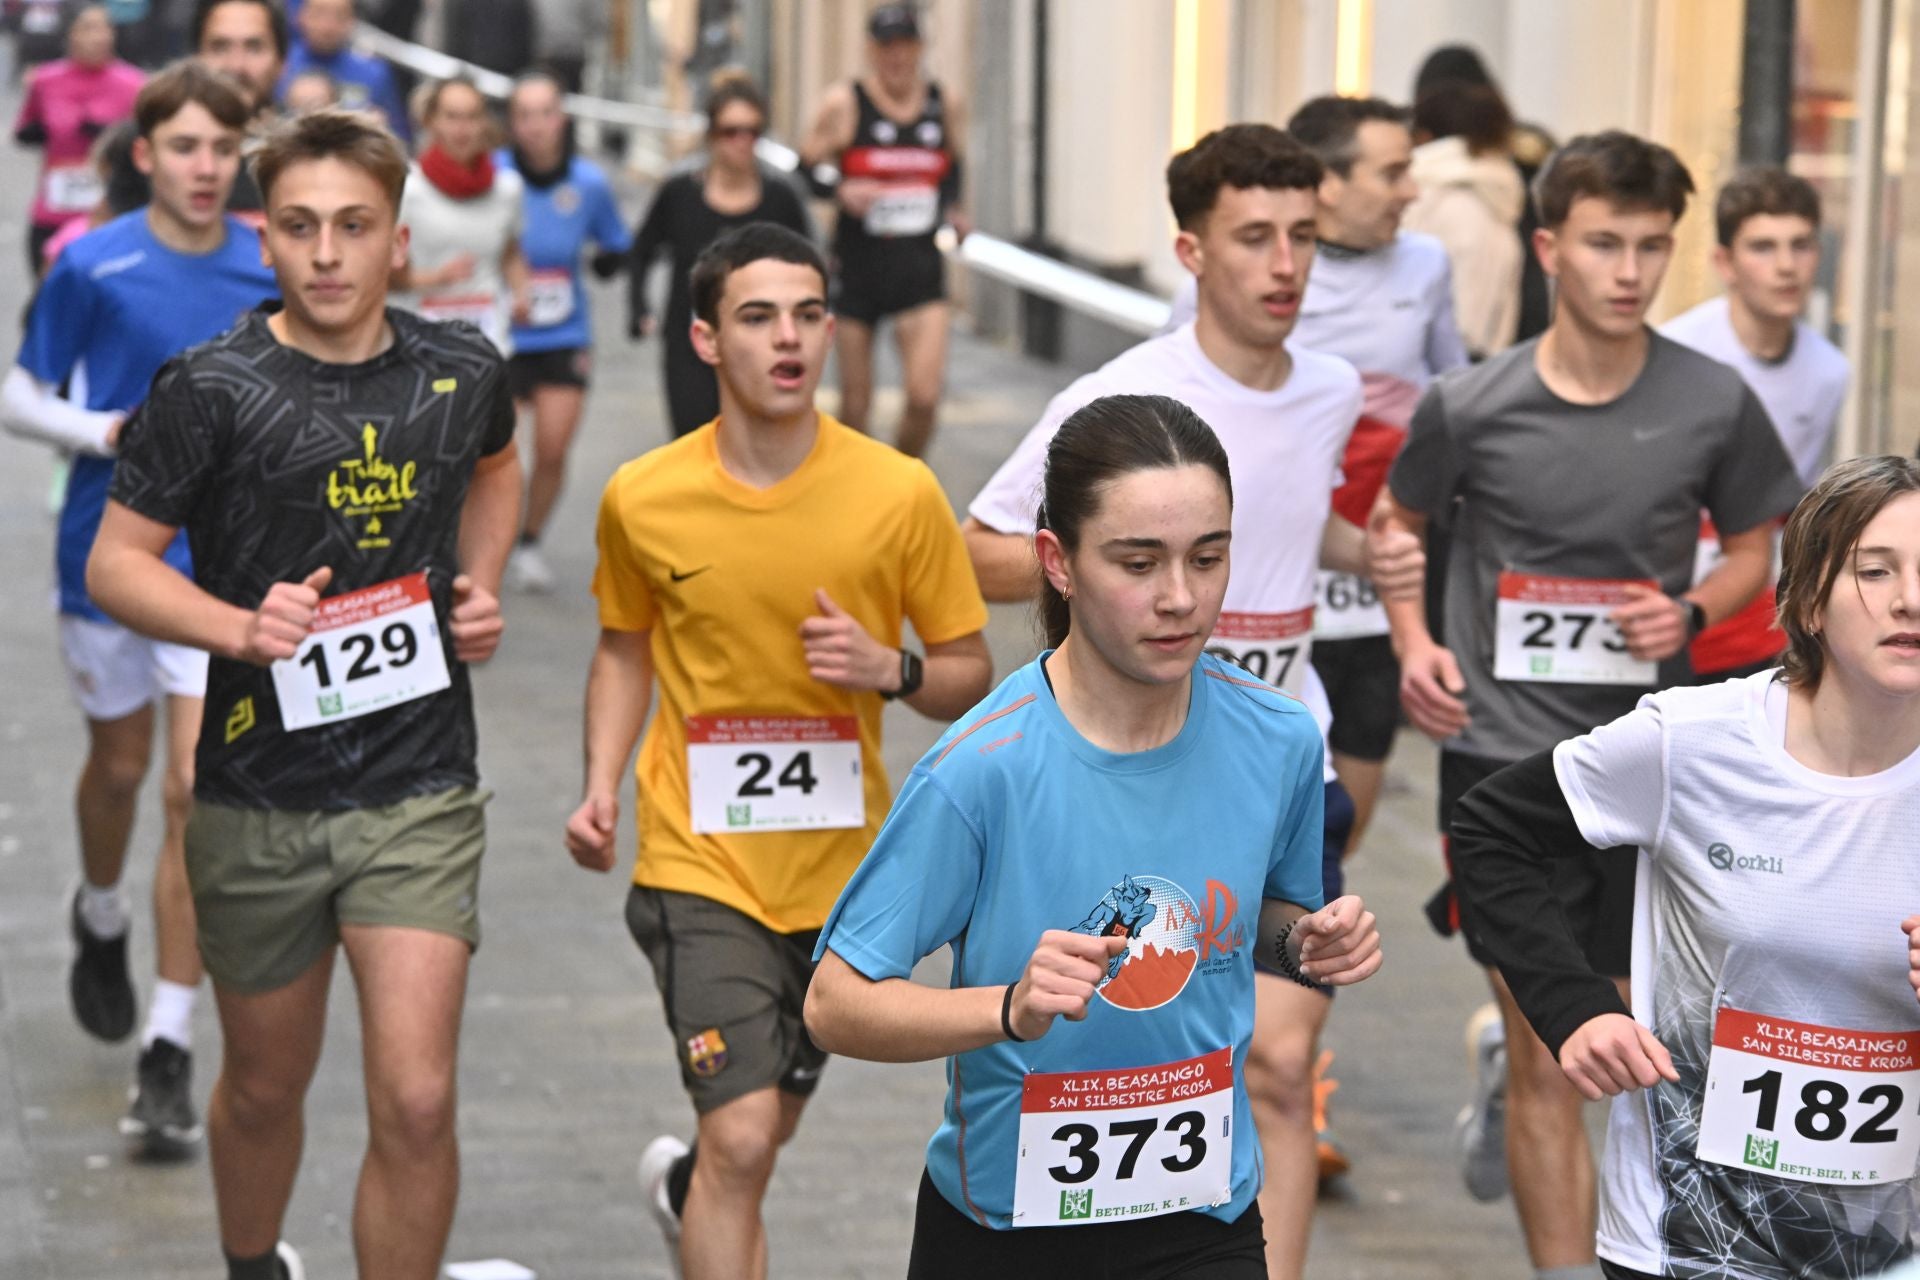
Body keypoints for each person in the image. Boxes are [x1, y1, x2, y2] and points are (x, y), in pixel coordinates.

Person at [964, 124, 1420, 1280]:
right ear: (1188, 249)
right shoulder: (1125, 393)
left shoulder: (1329, 387)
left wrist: (1381, 559)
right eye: (1254, 236)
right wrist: (1113, 575)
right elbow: (980, 546)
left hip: (1284, 759)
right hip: (1143, 757)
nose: (1285, 264)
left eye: (1304, 237)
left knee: (1278, 1060)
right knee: (1146, 1050)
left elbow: (1288, 514)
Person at [807, 393, 1385, 1278]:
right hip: (1008, 1233)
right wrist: (1007, 1007)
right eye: (1138, 563)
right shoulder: (982, 769)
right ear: (1058, 562)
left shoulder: (1280, 739)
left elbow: (1263, 923)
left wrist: (1306, 943)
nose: (1181, 598)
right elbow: (835, 1002)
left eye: (1208, 557)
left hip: (1207, 1218)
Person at [88, 106, 521, 1280]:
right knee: (266, 1090)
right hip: (256, 792)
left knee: (419, 1099)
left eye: (354, 225)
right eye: (299, 227)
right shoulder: (211, 386)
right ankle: (249, 1262)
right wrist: (240, 625)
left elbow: (494, 464)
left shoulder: (461, 367)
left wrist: (479, 582)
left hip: (420, 784)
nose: (327, 252)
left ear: (396, 237)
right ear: (262, 239)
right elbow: (114, 563)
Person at [1371, 130, 1804, 1280]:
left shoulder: (1713, 402)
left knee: (1634, 1031)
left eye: (1652, 247)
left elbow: (1758, 544)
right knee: (1550, 1045)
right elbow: (1396, 528)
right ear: (1551, 248)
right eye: (1605, 243)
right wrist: (1415, 644)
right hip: (1503, 761)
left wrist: (1694, 611)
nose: (1629, 270)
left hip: (1650, 766)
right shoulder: (1470, 404)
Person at [564, 222, 993, 1280]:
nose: (789, 339)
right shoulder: (643, 495)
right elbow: (624, 649)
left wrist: (884, 668)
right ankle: (709, 1181)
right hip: (696, 857)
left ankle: (687, 1192)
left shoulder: (896, 492)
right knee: (745, 1134)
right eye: (759, 317)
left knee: (752, 1139)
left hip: (845, 874)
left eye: (808, 314)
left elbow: (968, 670)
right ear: (706, 339)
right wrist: (598, 785)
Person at [1452, 454, 1920, 1280]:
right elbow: (1492, 832)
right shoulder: (1694, 741)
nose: (1910, 600)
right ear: (1808, 599)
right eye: (1874, 572)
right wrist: (1573, 1009)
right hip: (1693, 1243)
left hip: (1892, 1247)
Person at [0, 59, 274, 1160]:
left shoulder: (268, 259)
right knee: (119, 773)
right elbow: (19, 389)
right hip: (103, 555)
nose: (207, 168)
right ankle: (99, 910)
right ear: (145, 155)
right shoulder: (92, 260)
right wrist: (105, 431)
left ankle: (169, 1040)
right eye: (187, 147)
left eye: (224, 148)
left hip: (219, 567)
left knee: (192, 787)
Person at [1662, 167, 1849, 683]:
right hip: (1666, 588)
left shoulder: (1829, 369)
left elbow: (1785, 506)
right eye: (1763, 247)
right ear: (1725, 261)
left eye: (1801, 245)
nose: (1786, 266)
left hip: (1756, 605)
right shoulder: (1674, 352)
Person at [799, 2, 966, 458]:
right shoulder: (846, 102)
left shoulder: (941, 102)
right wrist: (842, 188)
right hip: (858, 268)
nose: (897, 58)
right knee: (855, 406)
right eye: (887, 47)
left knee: (924, 398)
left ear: (919, 49)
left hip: (919, 269)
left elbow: (952, 166)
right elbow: (807, 168)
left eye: (906, 46)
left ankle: (902, 479)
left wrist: (955, 208)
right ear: (871, 51)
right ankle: (859, 494)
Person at [496, 70, 629, 593]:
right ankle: (491, 538)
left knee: (552, 448)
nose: (535, 126)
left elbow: (615, 242)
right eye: (524, 115)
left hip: (564, 333)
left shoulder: (589, 184)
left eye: (545, 113)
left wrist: (608, 263)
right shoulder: (495, 175)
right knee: (498, 453)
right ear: (512, 123)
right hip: (504, 335)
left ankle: (529, 542)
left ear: (563, 119)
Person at [629, 72, 811, 439]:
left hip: (765, 347)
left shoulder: (780, 198)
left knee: (759, 444)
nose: (742, 142)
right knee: (695, 444)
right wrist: (639, 309)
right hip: (691, 343)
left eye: (752, 132)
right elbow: (642, 250)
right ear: (712, 135)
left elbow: (809, 269)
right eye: (731, 131)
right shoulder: (679, 194)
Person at [396, 76, 530, 356]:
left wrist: (521, 292)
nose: (462, 129)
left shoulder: (508, 188)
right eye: (452, 117)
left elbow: (510, 253)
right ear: (431, 121)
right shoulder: (407, 190)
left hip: (489, 346)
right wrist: (435, 277)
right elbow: (380, 275)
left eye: (472, 117)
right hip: (423, 349)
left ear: (485, 123)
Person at [13, 4, 144, 274]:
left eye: (105, 27)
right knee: (44, 302)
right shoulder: (45, 79)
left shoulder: (134, 83)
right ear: (70, 33)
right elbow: (25, 129)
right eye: (89, 28)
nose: (100, 36)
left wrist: (110, 137)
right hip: (53, 213)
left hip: (109, 217)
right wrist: (41, 132)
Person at [1405, 77, 1526, 358]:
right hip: (1481, 364)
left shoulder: (1438, 193)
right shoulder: (1496, 195)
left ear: (1423, 135)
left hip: (1439, 367)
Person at [191, 0, 289, 217]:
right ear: (195, 58)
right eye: (220, 47)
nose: (236, 66)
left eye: (254, 47)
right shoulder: (161, 153)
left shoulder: (306, 155)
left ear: (282, 62)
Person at [277, 0, 407, 138]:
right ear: (300, 16)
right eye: (319, 14)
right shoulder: (279, 63)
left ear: (352, 21)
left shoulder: (374, 73)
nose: (328, 26)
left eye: (339, 16)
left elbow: (400, 135)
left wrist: (381, 129)